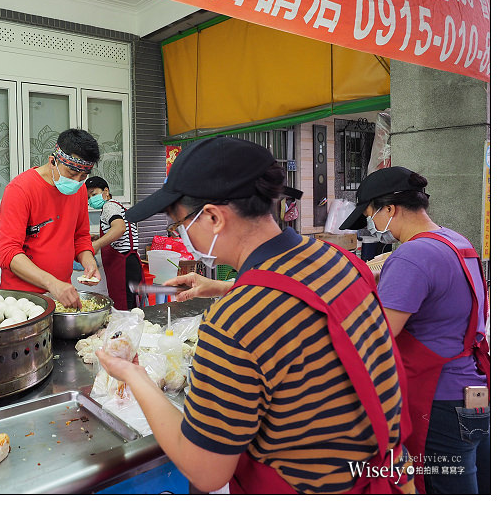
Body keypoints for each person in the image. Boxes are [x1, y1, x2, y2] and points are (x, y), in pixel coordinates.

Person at [96, 136, 415, 494]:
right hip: (383, 477)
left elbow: (206, 471)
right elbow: (304, 301)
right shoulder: (336, 261)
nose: (180, 235)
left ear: (214, 217)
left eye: (179, 224)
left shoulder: (234, 322)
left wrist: (133, 374)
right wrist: (221, 287)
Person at [339, 166, 490, 494]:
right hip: (474, 392)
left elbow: (379, 338)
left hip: (439, 402)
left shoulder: (413, 255)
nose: (372, 226)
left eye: (370, 216)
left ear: (389, 209)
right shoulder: (455, 241)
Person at [0, 129, 101, 308]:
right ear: (53, 161)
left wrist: (89, 262)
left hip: (60, 295)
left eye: (83, 176)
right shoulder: (20, 190)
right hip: (21, 299)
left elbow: (80, 236)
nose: (76, 181)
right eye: (71, 173)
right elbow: (8, 252)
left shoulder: (80, 190)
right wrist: (51, 283)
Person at [86, 176, 143, 311]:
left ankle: (125, 331)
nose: (91, 199)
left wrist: (98, 244)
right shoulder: (117, 205)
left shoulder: (109, 206)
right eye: (88, 197)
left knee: (123, 306)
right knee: (129, 304)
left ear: (106, 191)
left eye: (94, 194)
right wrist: (99, 236)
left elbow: (120, 228)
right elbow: (119, 232)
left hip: (123, 263)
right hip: (130, 261)